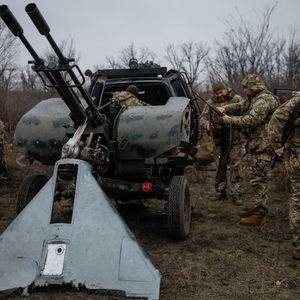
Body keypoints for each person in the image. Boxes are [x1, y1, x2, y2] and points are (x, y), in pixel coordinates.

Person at [218, 74, 279, 225]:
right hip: (258, 144)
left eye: (246, 88)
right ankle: (257, 207)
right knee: (256, 177)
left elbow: (252, 119)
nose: (244, 90)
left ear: (253, 87)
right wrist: (225, 108)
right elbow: (242, 106)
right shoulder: (255, 98)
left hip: (265, 145)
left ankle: (259, 215)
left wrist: (230, 120)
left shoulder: (264, 100)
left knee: (259, 178)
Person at [199, 81, 245, 204]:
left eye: (221, 92)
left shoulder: (237, 99)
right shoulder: (210, 103)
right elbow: (202, 118)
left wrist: (231, 120)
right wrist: (207, 125)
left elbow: (245, 115)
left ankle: (237, 194)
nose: (219, 95)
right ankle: (220, 192)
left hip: (236, 140)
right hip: (218, 140)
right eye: (216, 93)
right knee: (220, 167)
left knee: (236, 167)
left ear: (226, 89)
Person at [268, 91, 300, 259]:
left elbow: (275, 122)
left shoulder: (295, 102)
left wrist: (277, 145)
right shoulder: (296, 102)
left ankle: (298, 246)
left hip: (296, 158)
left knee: (297, 201)